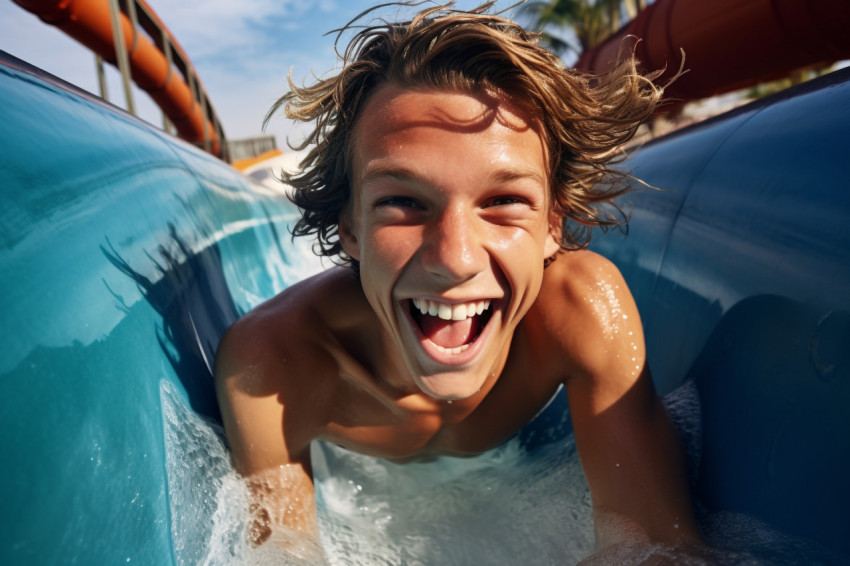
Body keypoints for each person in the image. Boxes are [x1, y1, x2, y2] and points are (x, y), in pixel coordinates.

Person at [214, 1, 701, 560]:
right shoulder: (273, 366)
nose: (456, 258)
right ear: (350, 228)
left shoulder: (581, 312)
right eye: (402, 201)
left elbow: (659, 549)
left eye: (504, 202)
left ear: (552, 226)